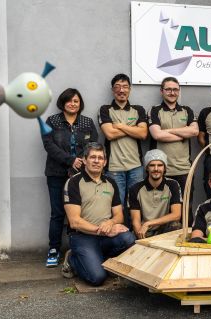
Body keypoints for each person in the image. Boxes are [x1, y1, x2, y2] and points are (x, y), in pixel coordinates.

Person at [62, 142, 135, 286]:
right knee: (97, 277)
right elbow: (74, 221)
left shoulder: (111, 183)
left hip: (105, 236)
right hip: (82, 236)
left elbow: (119, 216)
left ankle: (96, 258)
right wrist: (102, 231)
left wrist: (110, 223)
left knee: (128, 238)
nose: (96, 161)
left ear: (105, 162)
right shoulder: (73, 182)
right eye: (93, 157)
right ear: (84, 160)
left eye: (100, 158)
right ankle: (72, 259)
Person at [41, 88, 98, 268]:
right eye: (69, 101)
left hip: (81, 175)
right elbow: (48, 145)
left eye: (76, 101)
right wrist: (70, 160)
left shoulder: (87, 122)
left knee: (78, 213)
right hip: (56, 173)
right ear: (62, 103)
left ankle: (77, 248)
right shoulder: (52, 121)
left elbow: (93, 145)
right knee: (57, 213)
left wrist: (80, 161)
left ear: (80, 104)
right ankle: (53, 249)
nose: (73, 104)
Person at [148, 77, 198, 225]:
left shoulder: (187, 110)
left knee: (186, 209)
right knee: (163, 210)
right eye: (168, 89)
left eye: (175, 89)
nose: (172, 92)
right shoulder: (155, 110)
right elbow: (157, 135)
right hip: (162, 170)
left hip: (184, 169)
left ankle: (188, 242)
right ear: (162, 91)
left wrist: (167, 131)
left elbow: (194, 132)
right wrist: (183, 132)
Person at [98, 73, 148, 220]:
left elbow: (143, 133)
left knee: (136, 202)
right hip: (114, 167)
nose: (121, 90)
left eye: (125, 87)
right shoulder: (105, 109)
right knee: (117, 203)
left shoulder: (138, 109)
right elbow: (109, 134)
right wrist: (133, 128)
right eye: (118, 87)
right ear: (113, 90)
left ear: (130, 89)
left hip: (136, 166)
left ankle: (136, 233)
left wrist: (119, 126)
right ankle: (121, 234)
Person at [129, 149, 182, 239]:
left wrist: (149, 223)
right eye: (152, 165)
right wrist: (142, 238)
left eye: (160, 165)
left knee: (175, 225)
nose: (156, 169)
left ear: (164, 168)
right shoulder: (135, 188)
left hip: (164, 230)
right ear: (146, 167)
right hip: (143, 231)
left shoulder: (173, 185)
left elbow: (176, 215)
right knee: (129, 238)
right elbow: (135, 221)